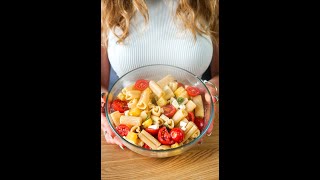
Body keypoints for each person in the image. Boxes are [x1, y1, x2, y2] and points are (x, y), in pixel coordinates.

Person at [101, 0, 219, 147]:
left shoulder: (211, 3)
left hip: (197, 139)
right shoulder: (107, 5)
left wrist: (213, 89)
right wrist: (102, 105)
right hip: (128, 141)